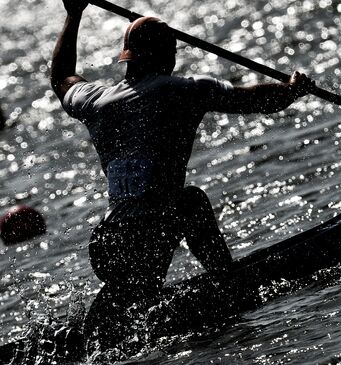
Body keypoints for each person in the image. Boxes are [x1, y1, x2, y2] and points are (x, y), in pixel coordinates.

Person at [51, 0, 313, 354]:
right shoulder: (180, 91)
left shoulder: (94, 100)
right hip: (151, 232)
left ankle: (96, 333)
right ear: (168, 56)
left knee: (128, 304)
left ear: (126, 57)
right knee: (190, 201)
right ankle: (228, 284)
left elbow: (61, 76)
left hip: (109, 242)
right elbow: (254, 101)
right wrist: (291, 90)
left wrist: (74, 14)